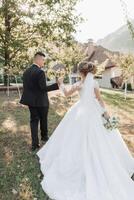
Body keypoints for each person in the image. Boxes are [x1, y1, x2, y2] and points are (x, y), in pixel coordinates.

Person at [37, 61, 134, 200]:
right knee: (101, 138)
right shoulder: (94, 83)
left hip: (81, 112)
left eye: (78, 71)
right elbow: (100, 100)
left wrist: (60, 83)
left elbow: (65, 94)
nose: (77, 73)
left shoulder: (79, 84)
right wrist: (105, 113)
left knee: (74, 138)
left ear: (82, 72)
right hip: (94, 111)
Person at [20, 52, 59, 151]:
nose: (43, 62)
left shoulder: (26, 72)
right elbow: (43, 88)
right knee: (43, 119)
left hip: (31, 102)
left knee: (33, 121)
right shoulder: (40, 72)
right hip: (41, 101)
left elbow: (27, 87)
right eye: (43, 60)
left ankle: (34, 144)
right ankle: (44, 137)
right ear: (37, 59)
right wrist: (57, 85)